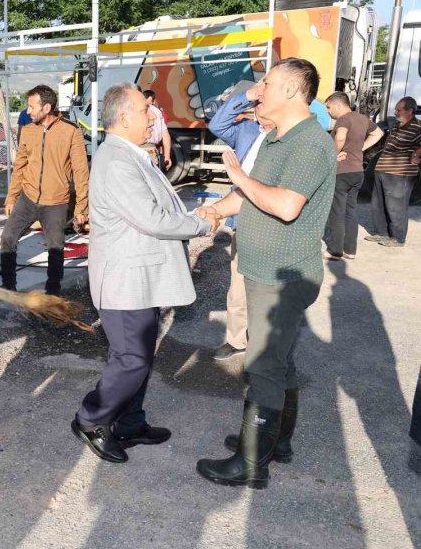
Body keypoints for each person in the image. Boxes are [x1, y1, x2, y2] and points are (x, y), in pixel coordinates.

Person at [195, 58, 336, 489]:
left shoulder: (309, 143)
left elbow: (286, 205)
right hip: (264, 270)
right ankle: (277, 442)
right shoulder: (276, 138)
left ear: (291, 91)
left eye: (268, 83)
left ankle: (252, 462)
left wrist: (238, 174)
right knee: (279, 361)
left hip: (280, 276)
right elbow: (248, 196)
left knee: (264, 366)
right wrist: (216, 210)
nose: (259, 90)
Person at [72, 82, 218, 463]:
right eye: (144, 110)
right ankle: (91, 418)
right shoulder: (117, 160)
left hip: (140, 280)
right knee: (131, 359)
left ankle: (130, 422)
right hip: (125, 283)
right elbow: (153, 218)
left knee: (140, 357)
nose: (152, 116)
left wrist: (192, 216)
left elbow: (162, 207)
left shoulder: (130, 154)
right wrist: (201, 224)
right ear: (123, 118)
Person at [207, 82, 276, 361]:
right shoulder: (247, 130)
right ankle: (237, 340)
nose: (261, 108)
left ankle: (266, 346)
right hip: (243, 220)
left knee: (268, 292)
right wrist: (247, 95)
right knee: (238, 288)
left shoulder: (290, 136)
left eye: (264, 102)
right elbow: (217, 124)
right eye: (258, 104)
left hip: (273, 224)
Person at [0, 85, 89, 296]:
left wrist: (82, 207)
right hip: (27, 198)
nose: (28, 111)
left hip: (56, 203)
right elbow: (20, 166)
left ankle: (52, 292)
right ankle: (8, 286)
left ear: (46, 107)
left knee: (55, 247)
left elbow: (81, 171)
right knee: (7, 238)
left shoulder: (71, 131)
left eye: (32, 107)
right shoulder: (28, 130)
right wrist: (11, 196)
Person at [323, 92, 383, 259]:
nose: (327, 111)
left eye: (328, 107)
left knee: (337, 211)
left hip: (342, 171)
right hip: (357, 171)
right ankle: (350, 250)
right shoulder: (363, 118)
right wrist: (360, 148)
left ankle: (335, 250)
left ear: (338, 105)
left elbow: (340, 137)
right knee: (351, 210)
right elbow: (378, 133)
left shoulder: (343, 119)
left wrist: (333, 154)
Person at [365, 96, 421, 248]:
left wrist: (415, 154)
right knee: (378, 203)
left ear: (410, 111)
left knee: (396, 207)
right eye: (396, 110)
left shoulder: (417, 126)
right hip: (383, 170)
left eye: (399, 110)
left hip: (400, 174)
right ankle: (381, 233)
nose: (396, 112)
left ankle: (398, 238)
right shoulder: (397, 125)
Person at [143, 90, 172, 170]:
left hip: (135, 150)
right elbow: (165, 135)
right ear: (153, 100)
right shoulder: (158, 112)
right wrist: (167, 156)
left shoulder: (132, 109)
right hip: (151, 151)